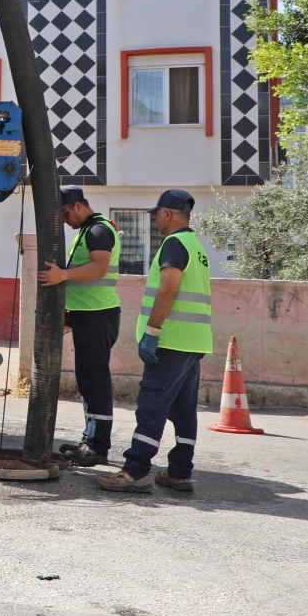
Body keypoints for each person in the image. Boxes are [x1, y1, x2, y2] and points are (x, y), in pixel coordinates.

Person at [98, 189, 214, 495]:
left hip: (171, 341)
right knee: (184, 409)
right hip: (193, 342)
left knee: (152, 406)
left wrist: (152, 331)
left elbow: (168, 290)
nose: (155, 221)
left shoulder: (174, 244)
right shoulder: (196, 246)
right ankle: (180, 473)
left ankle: (135, 471)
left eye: (157, 215)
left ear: (167, 213)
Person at [37, 186, 119, 466]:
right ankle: (90, 439)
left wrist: (62, 276)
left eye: (65, 213)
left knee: (94, 380)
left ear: (79, 206)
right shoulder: (87, 231)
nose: (64, 220)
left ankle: (97, 446)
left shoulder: (98, 230)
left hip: (97, 314)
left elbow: (99, 268)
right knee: (88, 379)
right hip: (89, 314)